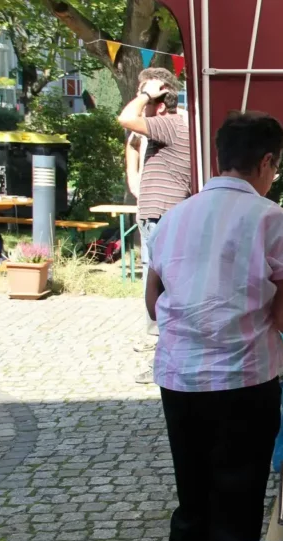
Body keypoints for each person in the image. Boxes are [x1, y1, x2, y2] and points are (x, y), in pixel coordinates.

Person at [145, 111, 283, 541]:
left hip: (180, 380)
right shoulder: (270, 218)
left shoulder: (174, 216)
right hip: (242, 381)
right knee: (237, 507)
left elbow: (153, 301)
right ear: (267, 162)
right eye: (277, 164)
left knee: (193, 504)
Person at [118, 67, 192, 382]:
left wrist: (147, 94)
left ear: (160, 103)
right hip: (159, 213)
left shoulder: (171, 124)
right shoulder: (169, 125)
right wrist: (135, 184)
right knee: (162, 291)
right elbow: (131, 143)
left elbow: (124, 118)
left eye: (146, 99)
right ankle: (163, 353)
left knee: (162, 293)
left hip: (164, 215)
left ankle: (165, 359)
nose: (141, 104)